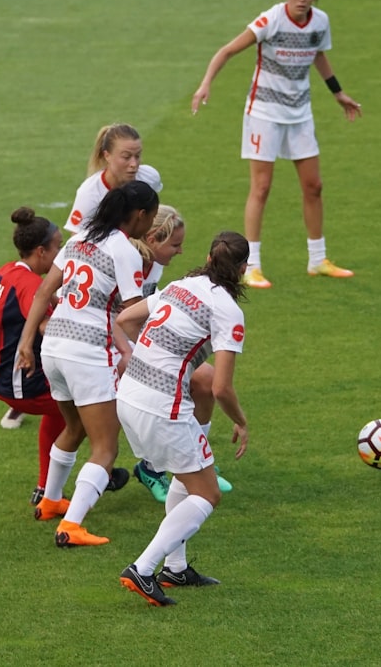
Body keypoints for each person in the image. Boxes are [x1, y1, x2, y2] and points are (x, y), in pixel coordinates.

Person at [191, 0, 362, 289]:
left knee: (314, 186)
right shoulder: (271, 20)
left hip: (300, 114)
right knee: (262, 187)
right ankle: (251, 265)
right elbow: (228, 50)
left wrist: (338, 93)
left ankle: (317, 260)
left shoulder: (320, 22)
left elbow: (318, 56)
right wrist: (205, 84)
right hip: (264, 113)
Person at [17, 181, 159, 547]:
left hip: (54, 350)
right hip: (88, 354)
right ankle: (71, 525)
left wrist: (26, 343)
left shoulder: (78, 238)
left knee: (74, 426)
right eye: (152, 217)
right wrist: (156, 345)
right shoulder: (123, 251)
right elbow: (131, 311)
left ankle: (50, 501)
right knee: (106, 448)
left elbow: (45, 291)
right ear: (139, 215)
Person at [116, 231, 251, 606]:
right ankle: (142, 569)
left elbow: (127, 317)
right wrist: (241, 421)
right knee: (207, 493)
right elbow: (221, 388)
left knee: (187, 474)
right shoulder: (227, 310)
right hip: (162, 407)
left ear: (208, 258)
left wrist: (151, 355)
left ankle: (175, 568)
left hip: (128, 394)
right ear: (241, 269)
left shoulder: (183, 284)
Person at [128, 206, 234, 503]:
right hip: (110, 345)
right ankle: (153, 468)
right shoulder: (128, 261)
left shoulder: (153, 264)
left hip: (137, 341)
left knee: (205, 380)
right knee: (98, 434)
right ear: (152, 238)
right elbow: (120, 317)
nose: (181, 251)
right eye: (174, 244)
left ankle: (194, 460)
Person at [0, 207, 67, 505]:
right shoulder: (32, 286)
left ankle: (46, 487)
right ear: (41, 251)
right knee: (93, 406)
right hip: (19, 382)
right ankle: (100, 475)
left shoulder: (8, 270)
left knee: (63, 410)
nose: (60, 254)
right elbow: (48, 328)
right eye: (57, 247)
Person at [65, 122, 163, 235]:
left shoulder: (149, 177)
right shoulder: (90, 193)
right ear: (107, 155)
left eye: (137, 156)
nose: (134, 164)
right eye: (126, 157)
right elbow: (77, 241)